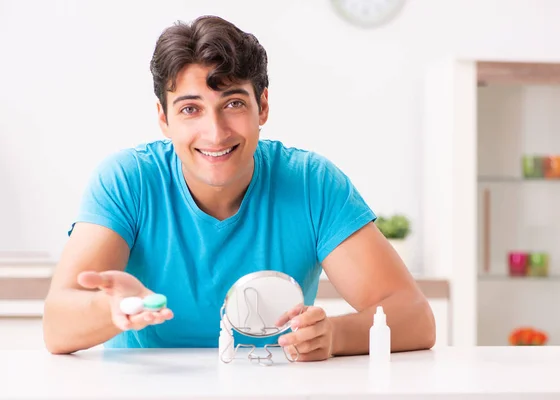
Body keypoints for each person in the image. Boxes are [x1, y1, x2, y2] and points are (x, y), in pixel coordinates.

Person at [42, 15, 435, 360]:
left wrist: (333, 335)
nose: (215, 133)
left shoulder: (312, 183)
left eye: (232, 104)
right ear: (164, 118)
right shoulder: (127, 181)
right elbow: (56, 326)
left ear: (262, 106)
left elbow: (413, 316)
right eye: (190, 109)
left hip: (274, 386)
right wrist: (111, 310)